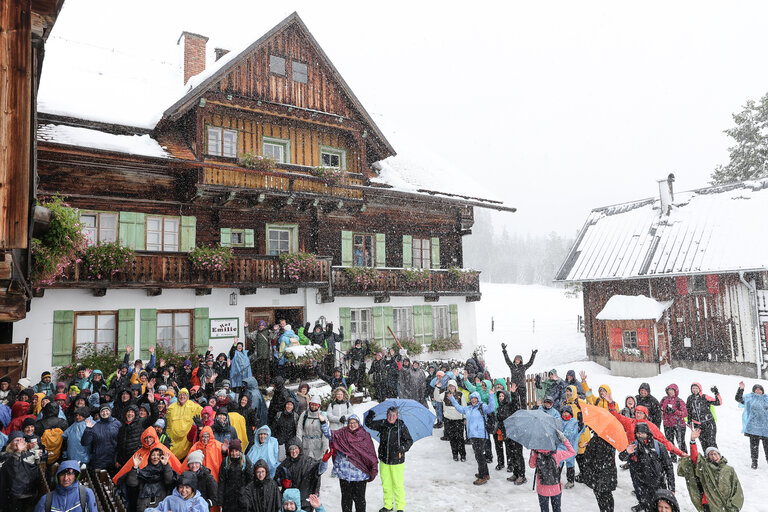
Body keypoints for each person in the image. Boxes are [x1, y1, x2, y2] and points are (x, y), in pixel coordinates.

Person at [320, 413, 378, 512]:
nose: (352, 425)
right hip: (344, 474)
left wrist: (373, 467)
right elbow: (329, 434)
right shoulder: (342, 433)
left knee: (359, 499)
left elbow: (370, 453)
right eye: (350, 423)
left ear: (358, 423)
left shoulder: (364, 435)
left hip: (360, 475)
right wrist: (323, 422)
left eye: (354, 422)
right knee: (346, 499)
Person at [678, 428, 744, 512]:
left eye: (715, 453)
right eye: (711, 454)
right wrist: (692, 441)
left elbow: (737, 488)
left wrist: (733, 505)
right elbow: (695, 458)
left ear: (720, 455)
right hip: (708, 504)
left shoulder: (729, 470)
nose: (713, 456)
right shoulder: (705, 467)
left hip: (725, 505)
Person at [364, 406, 413, 512]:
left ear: (397, 416)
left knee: (397, 485)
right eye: (389, 415)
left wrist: (403, 448)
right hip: (384, 459)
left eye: (393, 415)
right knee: (386, 484)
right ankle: (388, 505)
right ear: (387, 415)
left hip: (397, 460)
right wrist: (370, 415)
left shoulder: (401, 426)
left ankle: (400, 507)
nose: (391, 417)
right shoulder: (383, 424)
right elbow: (369, 424)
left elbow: (409, 440)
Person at [619, 422, 675, 512]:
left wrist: (672, 487)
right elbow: (622, 457)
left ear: (647, 433)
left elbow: (668, 467)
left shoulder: (659, 446)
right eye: (638, 433)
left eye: (642, 433)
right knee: (647, 507)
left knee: (660, 507)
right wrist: (627, 452)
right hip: (641, 485)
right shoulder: (634, 446)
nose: (640, 435)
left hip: (658, 484)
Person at [448, 390, 496, 485]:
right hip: (472, 435)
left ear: (478, 399)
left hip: (480, 435)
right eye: (472, 399)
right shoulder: (468, 408)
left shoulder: (483, 407)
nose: (474, 400)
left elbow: (491, 408)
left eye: (475, 399)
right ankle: (485, 474)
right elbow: (459, 408)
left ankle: (482, 477)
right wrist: (452, 399)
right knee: (480, 455)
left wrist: (491, 395)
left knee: (479, 456)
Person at [274, 438, 328, 512]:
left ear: (300, 449)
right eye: (291, 449)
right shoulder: (284, 464)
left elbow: (319, 471)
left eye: (295, 448)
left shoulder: (308, 462)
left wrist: (324, 462)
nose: (294, 451)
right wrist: (282, 482)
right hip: (290, 505)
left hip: (305, 502)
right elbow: (276, 480)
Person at [529, 431, 575, 512]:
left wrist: (533, 451)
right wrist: (564, 439)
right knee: (557, 509)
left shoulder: (536, 454)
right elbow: (572, 452)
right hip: (555, 488)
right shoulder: (556, 454)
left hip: (542, 489)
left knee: (544, 510)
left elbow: (532, 465)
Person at [0, 431, 43, 512]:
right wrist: (18, 452)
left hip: (29, 494)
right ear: (10, 444)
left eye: (21, 440)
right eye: (16, 440)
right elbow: (13, 471)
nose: (19, 443)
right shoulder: (5, 456)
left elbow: (33, 470)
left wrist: (39, 457)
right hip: (13, 496)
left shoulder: (27, 454)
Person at [125, 446, 176, 512]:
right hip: (143, 505)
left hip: (160, 504)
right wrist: (135, 467)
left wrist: (166, 465)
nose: (155, 457)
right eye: (153, 455)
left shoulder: (165, 470)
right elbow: (131, 483)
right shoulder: (143, 471)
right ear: (149, 457)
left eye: (158, 455)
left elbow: (169, 480)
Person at [736, 380, 768, 469]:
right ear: (754, 391)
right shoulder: (750, 398)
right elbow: (738, 399)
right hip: (753, 427)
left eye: (760, 389)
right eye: (756, 390)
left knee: (767, 447)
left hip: (765, 427)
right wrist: (741, 389)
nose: (758, 391)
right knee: (754, 446)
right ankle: (754, 462)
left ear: (762, 391)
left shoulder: (766, 398)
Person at [582, 434, 617, 512]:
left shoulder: (596, 440)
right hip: (609, 472)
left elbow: (589, 458)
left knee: (601, 497)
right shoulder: (611, 439)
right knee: (608, 495)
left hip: (598, 474)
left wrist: (588, 447)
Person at [81, 404, 121, 472]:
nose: (105, 413)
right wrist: (88, 429)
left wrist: (119, 459)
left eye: (106, 411)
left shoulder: (117, 423)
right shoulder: (95, 426)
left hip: (113, 460)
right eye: (102, 411)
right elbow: (85, 442)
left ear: (110, 411)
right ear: (99, 413)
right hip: (99, 461)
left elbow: (122, 441)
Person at [434, 378, 467, 462]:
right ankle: (455, 454)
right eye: (450, 386)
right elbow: (437, 398)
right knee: (452, 438)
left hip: (458, 420)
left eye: (453, 386)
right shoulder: (445, 394)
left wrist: (465, 418)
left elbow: (464, 407)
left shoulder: (460, 394)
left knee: (460, 438)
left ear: (455, 386)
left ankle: (463, 455)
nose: (451, 387)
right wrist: (437, 388)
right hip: (449, 420)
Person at [144, 471, 209, 512]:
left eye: (187, 487)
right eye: (181, 487)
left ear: (192, 488)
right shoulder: (169, 499)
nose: (183, 490)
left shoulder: (200, 502)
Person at [165, 388, 202, 460]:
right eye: (180, 395)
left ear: (188, 396)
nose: (182, 397)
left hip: (186, 443)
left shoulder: (193, 406)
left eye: (184, 395)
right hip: (173, 442)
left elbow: (205, 412)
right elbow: (168, 425)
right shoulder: (171, 408)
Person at [217, 438, 253, 511]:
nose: (234, 453)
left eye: (236, 451)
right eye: (232, 451)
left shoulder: (245, 461)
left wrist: (247, 497)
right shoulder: (226, 462)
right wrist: (220, 501)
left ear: (239, 451)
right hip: (228, 498)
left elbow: (250, 480)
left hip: (243, 497)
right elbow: (222, 482)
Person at [686, 382, 722, 451]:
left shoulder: (704, 397)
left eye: (696, 388)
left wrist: (716, 393)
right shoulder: (689, 398)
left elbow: (718, 402)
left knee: (711, 443)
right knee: (704, 444)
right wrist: (689, 422)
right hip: (697, 425)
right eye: (693, 388)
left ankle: (716, 459)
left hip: (709, 424)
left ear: (700, 389)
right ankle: (706, 459)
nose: (695, 390)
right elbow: (689, 411)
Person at [559, 404, 585, 489]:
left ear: (570, 413)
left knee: (570, 464)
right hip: (560, 447)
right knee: (558, 463)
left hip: (571, 447)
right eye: (564, 412)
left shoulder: (574, 422)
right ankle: (556, 480)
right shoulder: (559, 421)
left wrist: (582, 423)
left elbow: (579, 431)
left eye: (567, 412)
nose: (565, 414)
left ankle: (570, 481)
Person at [660, 384, 688, 461]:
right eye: (669, 390)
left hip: (678, 425)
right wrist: (662, 411)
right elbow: (659, 408)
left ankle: (685, 458)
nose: (671, 392)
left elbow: (685, 413)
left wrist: (674, 411)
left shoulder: (679, 401)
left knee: (681, 442)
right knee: (669, 442)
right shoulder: (664, 399)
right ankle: (673, 458)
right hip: (667, 424)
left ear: (676, 391)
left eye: (672, 390)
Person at [297, 395, 327, 460]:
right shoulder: (304, 415)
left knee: (316, 466)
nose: (313, 407)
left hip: (317, 446)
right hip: (305, 445)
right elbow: (299, 430)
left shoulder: (323, 416)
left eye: (316, 405)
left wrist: (325, 450)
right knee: (305, 466)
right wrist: (298, 444)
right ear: (309, 404)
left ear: (319, 406)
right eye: (312, 405)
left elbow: (325, 434)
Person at [245, 320, 272, 386]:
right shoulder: (256, 332)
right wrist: (246, 328)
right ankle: (260, 384)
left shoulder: (268, 332)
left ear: (264, 326)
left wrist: (276, 330)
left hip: (267, 355)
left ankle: (267, 384)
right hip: (258, 356)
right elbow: (248, 335)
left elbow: (274, 336)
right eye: (260, 325)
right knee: (259, 371)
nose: (261, 326)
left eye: (262, 325)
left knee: (267, 370)